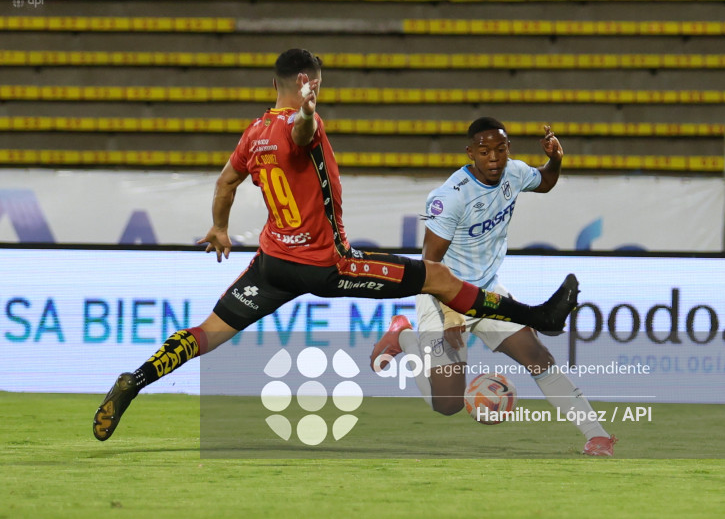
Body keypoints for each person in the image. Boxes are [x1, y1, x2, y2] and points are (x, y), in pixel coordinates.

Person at [92, 49, 578, 441]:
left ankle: (134, 381)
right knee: (438, 277)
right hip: (328, 264)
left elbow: (225, 183)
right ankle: (538, 315)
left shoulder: (254, 132)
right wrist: (307, 112)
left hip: (272, 265)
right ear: (311, 84)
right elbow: (302, 133)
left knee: (205, 333)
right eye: (316, 88)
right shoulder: (304, 123)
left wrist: (219, 228)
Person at [369, 117, 617, 456]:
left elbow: (545, 182)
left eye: (500, 150)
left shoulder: (513, 173)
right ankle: (404, 336)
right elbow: (430, 265)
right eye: (485, 152)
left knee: (537, 355)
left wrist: (555, 159)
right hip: (443, 295)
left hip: (487, 291)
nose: (494, 159)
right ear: (471, 153)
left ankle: (596, 435)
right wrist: (451, 315)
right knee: (447, 404)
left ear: (508, 149)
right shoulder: (450, 197)